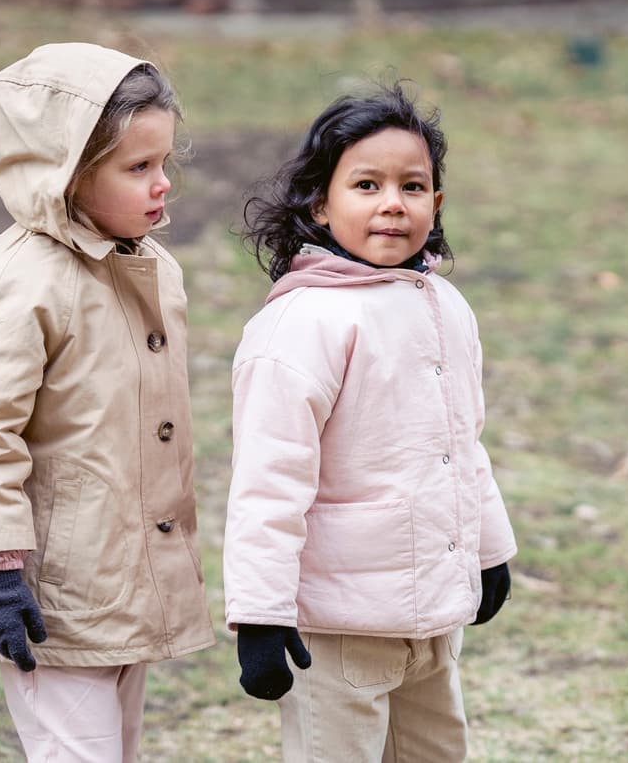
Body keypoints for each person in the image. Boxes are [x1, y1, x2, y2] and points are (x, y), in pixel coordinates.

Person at [0, 43, 214, 763]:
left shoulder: (147, 267)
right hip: (43, 593)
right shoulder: (18, 284)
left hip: (115, 576)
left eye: (165, 164)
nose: (162, 185)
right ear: (63, 174)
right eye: (137, 168)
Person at [223, 82, 518, 762]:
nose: (393, 202)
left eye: (413, 186)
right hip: (338, 628)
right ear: (321, 205)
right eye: (366, 184)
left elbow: (461, 445)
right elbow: (269, 483)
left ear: (436, 204)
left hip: (430, 618)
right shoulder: (302, 325)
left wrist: (489, 548)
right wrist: (261, 617)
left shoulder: (444, 305)